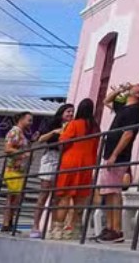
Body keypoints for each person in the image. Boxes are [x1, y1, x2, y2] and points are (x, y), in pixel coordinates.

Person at [96, 80, 139, 243]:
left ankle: (117, 229)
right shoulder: (124, 107)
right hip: (111, 154)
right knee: (109, 192)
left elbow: (128, 134)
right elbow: (106, 101)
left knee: (114, 192)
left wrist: (114, 155)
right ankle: (111, 228)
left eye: (138, 85)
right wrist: (120, 89)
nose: (134, 85)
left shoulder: (135, 110)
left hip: (118, 156)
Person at [53, 99, 100, 241]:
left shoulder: (73, 124)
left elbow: (63, 142)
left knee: (64, 197)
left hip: (70, 163)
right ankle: (75, 229)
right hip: (87, 165)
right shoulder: (96, 128)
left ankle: (58, 229)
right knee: (80, 198)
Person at [30, 104, 74, 239]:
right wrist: (55, 132)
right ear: (61, 112)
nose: (70, 114)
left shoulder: (72, 126)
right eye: (68, 111)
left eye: (72, 112)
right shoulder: (52, 124)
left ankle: (53, 227)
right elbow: (40, 139)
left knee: (57, 196)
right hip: (51, 156)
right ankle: (35, 226)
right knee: (44, 193)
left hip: (64, 159)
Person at [1, 111, 33, 232]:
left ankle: (9, 222)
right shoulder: (15, 131)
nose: (31, 123)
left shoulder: (21, 133)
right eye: (29, 120)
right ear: (21, 119)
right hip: (13, 169)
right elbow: (7, 148)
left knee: (15, 198)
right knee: (13, 197)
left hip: (19, 170)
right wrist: (23, 154)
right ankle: (6, 223)